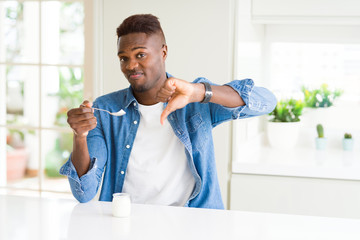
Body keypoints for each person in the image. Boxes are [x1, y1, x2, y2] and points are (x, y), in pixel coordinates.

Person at [60, 14, 276, 209]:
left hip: (191, 224)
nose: (130, 65)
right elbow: (83, 193)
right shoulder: (106, 109)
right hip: (127, 223)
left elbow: (266, 102)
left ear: (163, 52)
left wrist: (198, 91)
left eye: (140, 55)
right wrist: (80, 137)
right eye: (124, 58)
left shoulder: (195, 101)